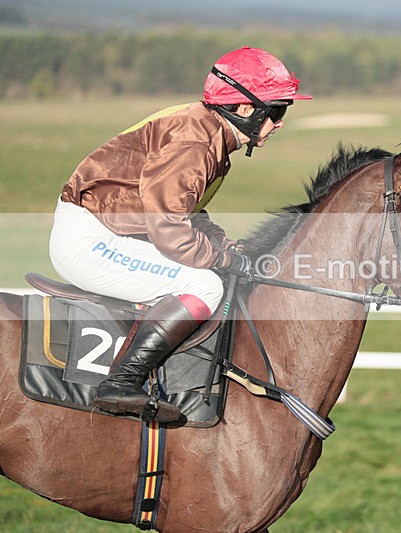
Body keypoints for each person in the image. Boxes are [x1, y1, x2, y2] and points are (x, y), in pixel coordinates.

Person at [49, 46, 311, 422]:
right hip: (93, 241)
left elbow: (187, 211)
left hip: (111, 230)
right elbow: (170, 232)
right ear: (245, 109)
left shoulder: (208, 132)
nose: (280, 122)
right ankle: (121, 384)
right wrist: (226, 259)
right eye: (277, 111)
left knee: (210, 271)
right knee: (206, 286)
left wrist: (222, 244)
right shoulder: (196, 143)